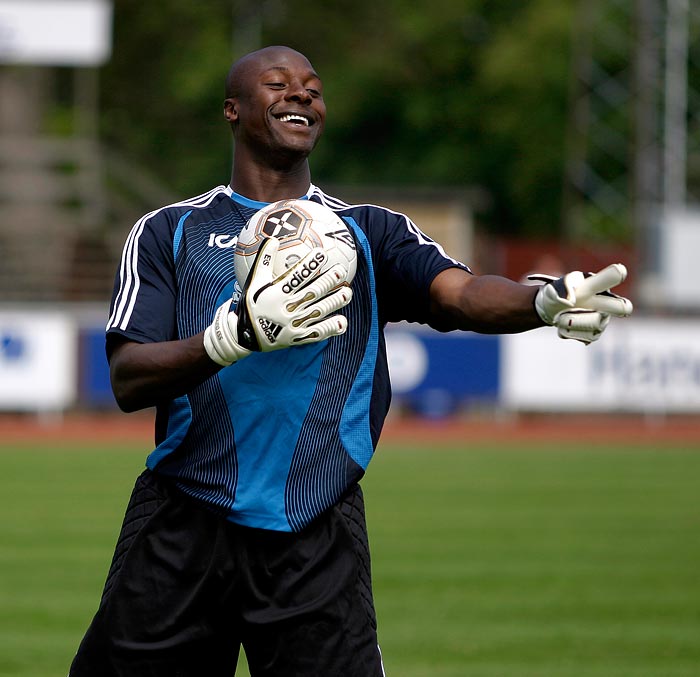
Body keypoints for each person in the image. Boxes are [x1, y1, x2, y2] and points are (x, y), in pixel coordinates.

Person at [69, 45, 632, 677]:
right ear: (232, 110)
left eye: (312, 87)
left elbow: (463, 293)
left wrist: (541, 300)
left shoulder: (369, 232)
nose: (301, 95)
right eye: (278, 84)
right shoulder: (169, 230)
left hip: (317, 534)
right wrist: (229, 340)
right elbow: (126, 377)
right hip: (181, 527)